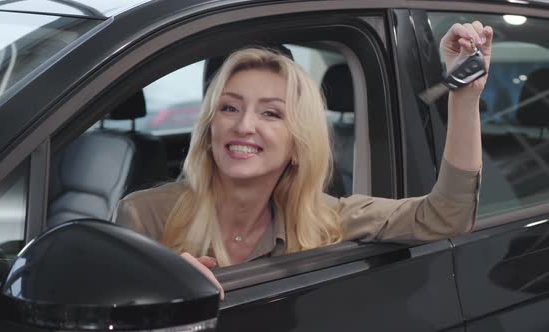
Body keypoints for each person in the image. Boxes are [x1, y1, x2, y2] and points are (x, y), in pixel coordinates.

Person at [113, 21, 493, 299]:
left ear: (297, 145)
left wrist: (464, 97)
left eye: (271, 114)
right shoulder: (143, 216)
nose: (243, 125)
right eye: (229, 107)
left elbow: (448, 214)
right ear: (210, 127)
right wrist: (153, 293)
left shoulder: (325, 219)